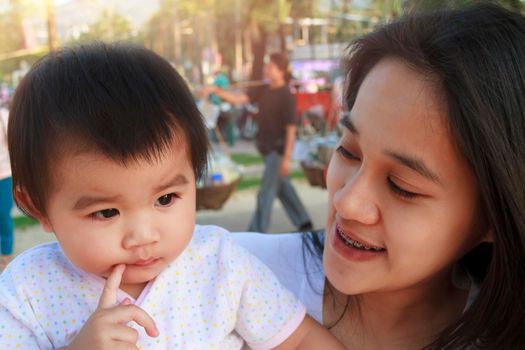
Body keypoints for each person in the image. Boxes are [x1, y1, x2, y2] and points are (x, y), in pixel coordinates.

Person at [0, 43, 344, 349]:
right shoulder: (27, 291)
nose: (144, 236)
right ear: (37, 206)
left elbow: (299, 339)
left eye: (165, 199)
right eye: (106, 213)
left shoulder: (221, 265)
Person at [234, 4, 525, 349]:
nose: (347, 201)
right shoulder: (225, 275)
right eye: (348, 152)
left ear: (494, 216)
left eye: (402, 187)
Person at [204, 53, 313, 233]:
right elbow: (239, 100)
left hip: (277, 151)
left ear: (280, 70)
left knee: (265, 193)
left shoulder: (286, 95)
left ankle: (256, 231)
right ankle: (304, 222)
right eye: (266, 66)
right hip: (265, 149)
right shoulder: (263, 90)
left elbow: (291, 128)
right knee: (282, 188)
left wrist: (286, 158)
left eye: (270, 67)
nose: (266, 70)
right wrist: (217, 91)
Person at [0, 107, 13, 271]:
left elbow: (15, 144)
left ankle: (6, 255)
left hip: (4, 175)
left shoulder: (4, 116)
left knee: (3, 215)